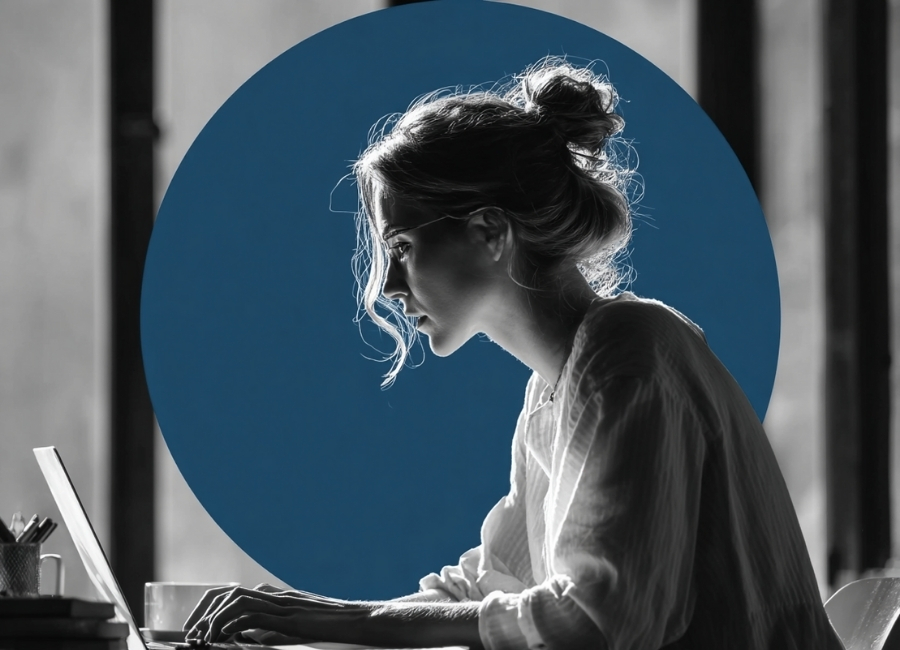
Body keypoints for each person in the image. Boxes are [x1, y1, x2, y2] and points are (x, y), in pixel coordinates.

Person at [184, 58, 844, 650]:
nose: (387, 286)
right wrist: (308, 619)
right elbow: (490, 585)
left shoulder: (631, 351)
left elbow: (592, 623)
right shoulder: (557, 387)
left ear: (490, 231)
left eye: (404, 248)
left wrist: (344, 624)